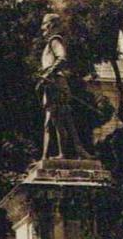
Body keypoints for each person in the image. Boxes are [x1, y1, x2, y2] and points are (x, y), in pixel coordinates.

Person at [37, 13, 89, 160]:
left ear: (51, 25)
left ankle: (50, 156)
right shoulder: (49, 44)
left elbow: (62, 57)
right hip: (52, 84)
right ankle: (64, 153)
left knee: (54, 121)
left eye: (44, 24)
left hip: (56, 84)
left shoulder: (54, 41)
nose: (42, 29)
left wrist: (49, 73)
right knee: (59, 121)